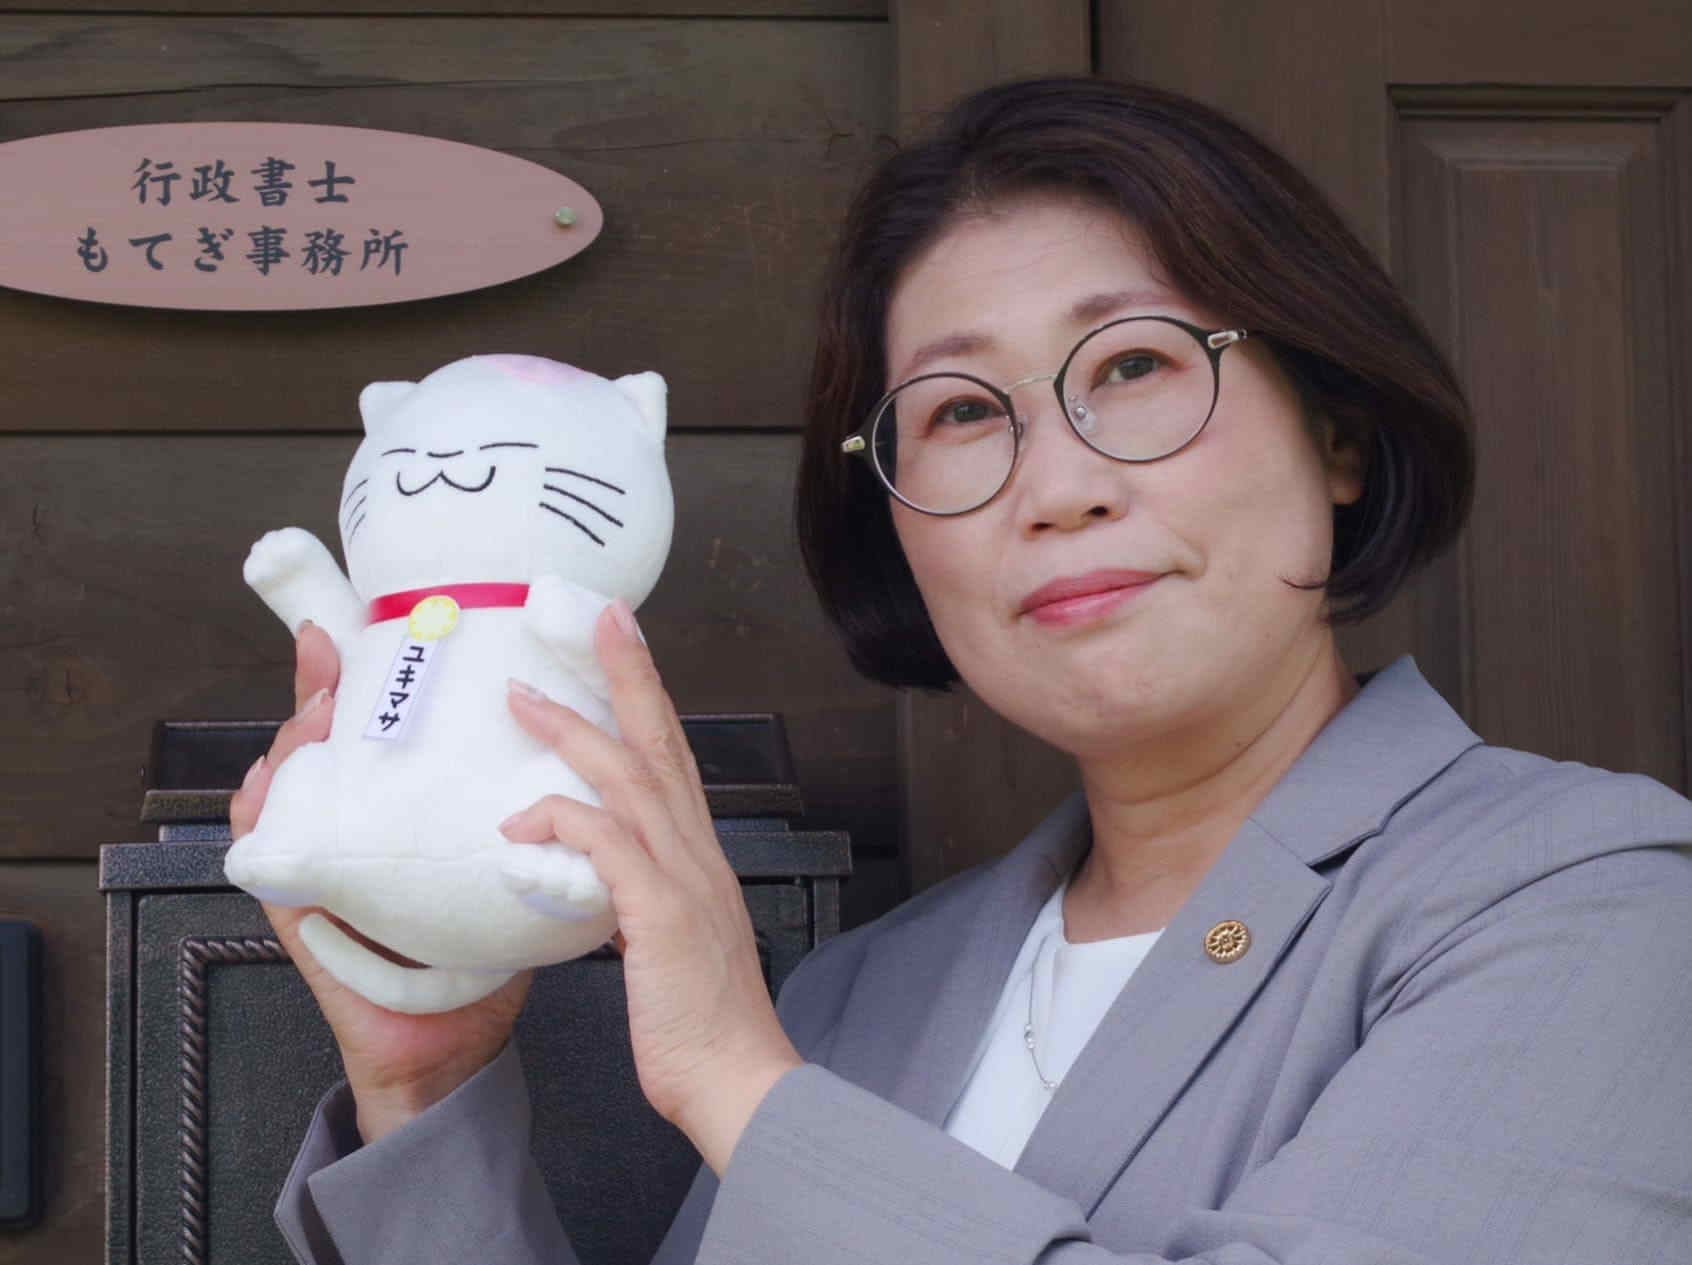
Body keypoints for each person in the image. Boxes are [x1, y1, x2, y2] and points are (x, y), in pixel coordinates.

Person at [232, 77, 1692, 1264]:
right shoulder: (867, 994)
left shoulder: (1594, 902)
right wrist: (425, 1080)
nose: (1057, 487)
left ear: (1338, 433)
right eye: (961, 412)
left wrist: (741, 1079)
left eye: (1135, 365)